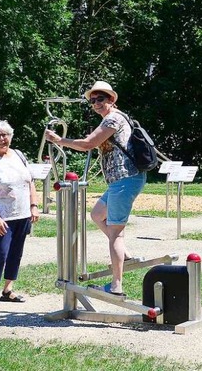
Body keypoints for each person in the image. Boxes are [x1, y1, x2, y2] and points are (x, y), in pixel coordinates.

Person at [45, 81, 146, 297]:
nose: (96, 103)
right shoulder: (113, 118)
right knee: (98, 214)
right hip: (120, 181)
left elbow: (88, 143)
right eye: (92, 100)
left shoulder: (113, 119)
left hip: (125, 179)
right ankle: (125, 256)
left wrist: (59, 140)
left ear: (111, 99)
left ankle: (116, 285)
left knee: (116, 232)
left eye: (100, 99)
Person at [0, 121, 40, 307]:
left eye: (5, 135)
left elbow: (30, 182)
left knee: (16, 253)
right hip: (3, 216)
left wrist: (34, 205)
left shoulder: (19, 155)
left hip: (23, 214)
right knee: (1, 253)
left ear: (11, 137)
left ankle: (8, 290)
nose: (2, 139)